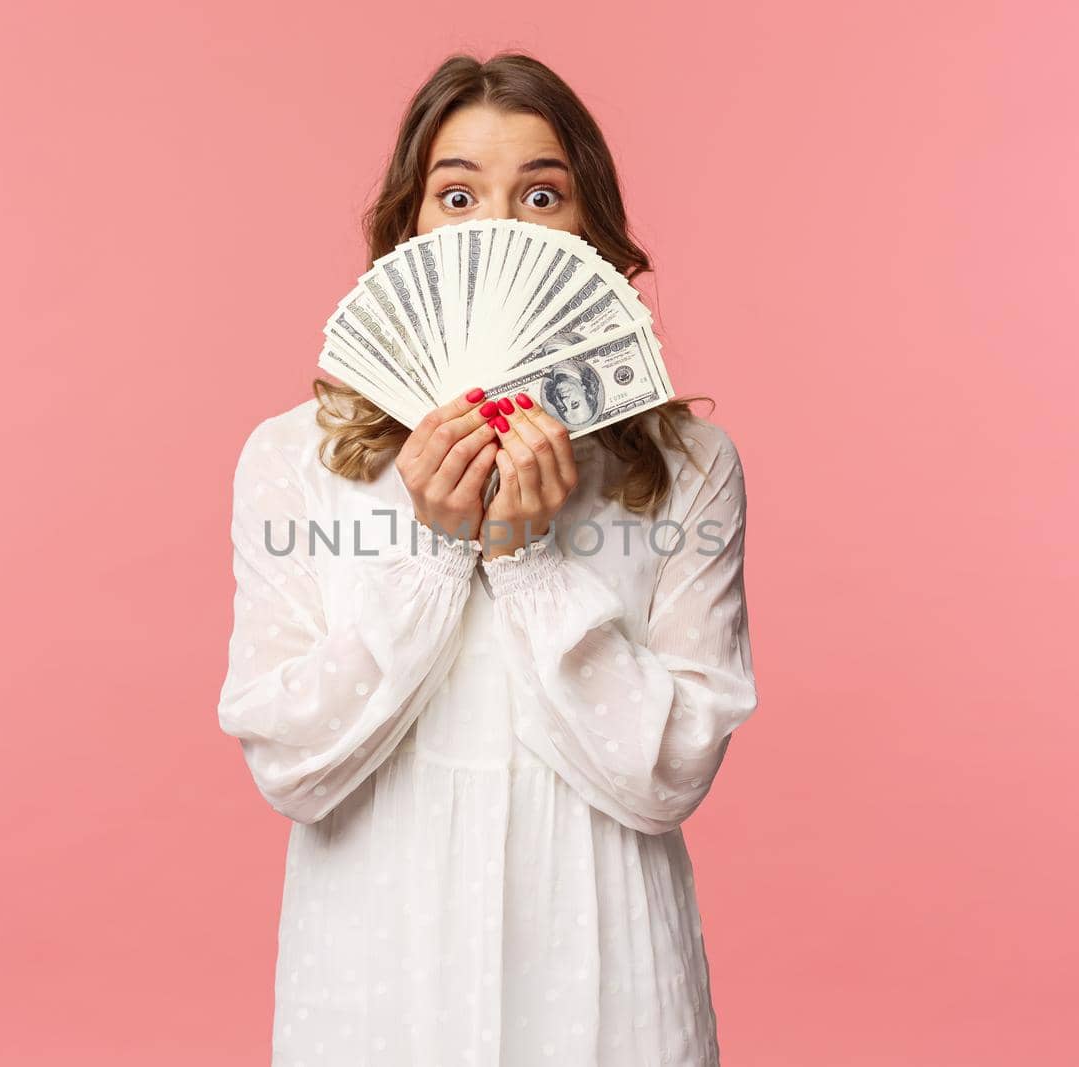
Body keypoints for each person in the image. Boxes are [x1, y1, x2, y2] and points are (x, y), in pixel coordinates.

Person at [217, 51, 759, 1066]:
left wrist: (527, 562)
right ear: (408, 228)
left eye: (541, 193)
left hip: (602, 951)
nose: (499, 227)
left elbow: (669, 773)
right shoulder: (290, 458)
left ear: (591, 230)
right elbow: (293, 760)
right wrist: (432, 546)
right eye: (457, 192)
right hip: (378, 947)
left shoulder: (690, 467)